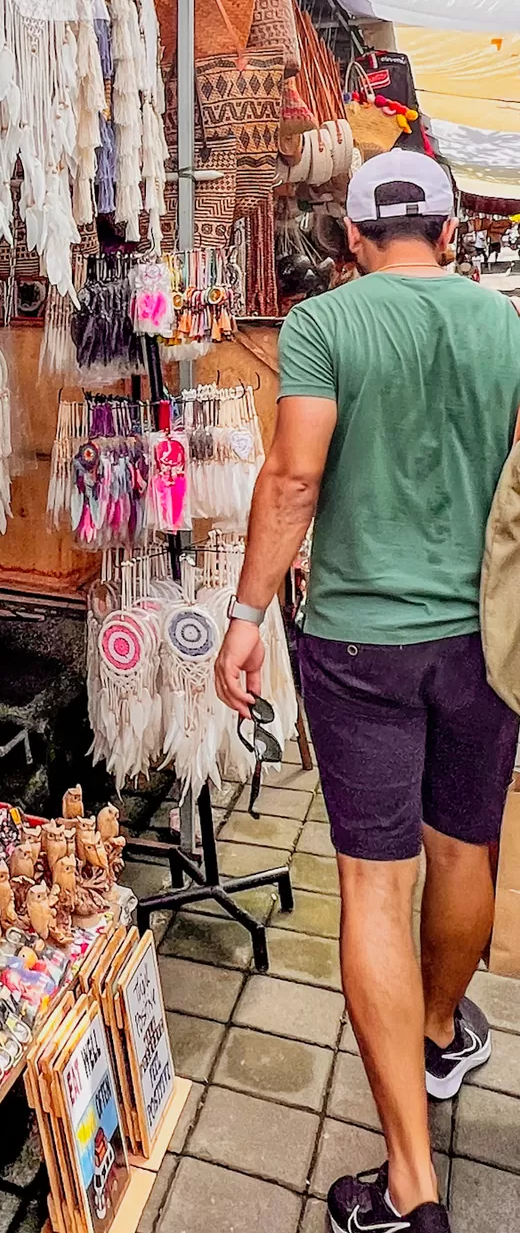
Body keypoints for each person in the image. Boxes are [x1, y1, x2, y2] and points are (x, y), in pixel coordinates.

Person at [214, 148, 520, 1233]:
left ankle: (410, 1183)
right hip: (481, 643)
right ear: (448, 231)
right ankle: (439, 1030)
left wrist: (245, 619)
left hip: (356, 643)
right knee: (464, 851)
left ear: (352, 238)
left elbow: (294, 478)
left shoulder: (322, 326)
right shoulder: (507, 327)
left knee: (374, 891)